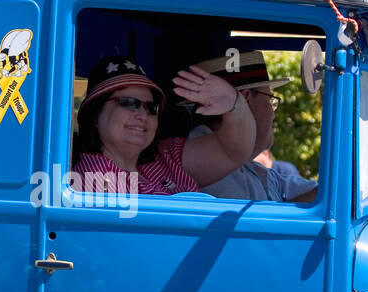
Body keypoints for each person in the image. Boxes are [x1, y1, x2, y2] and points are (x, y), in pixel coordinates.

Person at [71, 55, 254, 195]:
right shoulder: (91, 181)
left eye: (152, 107)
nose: (143, 114)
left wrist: (234, 103)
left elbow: (233, 152)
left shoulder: (165, 156)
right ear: (95, 114)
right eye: (128, 102)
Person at [187, 54, 317, 202]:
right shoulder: (206, 160)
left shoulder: (252, 169)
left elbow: (319, 195)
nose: (273, 113)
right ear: (247, 99)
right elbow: (259, 223)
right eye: (270, 99)